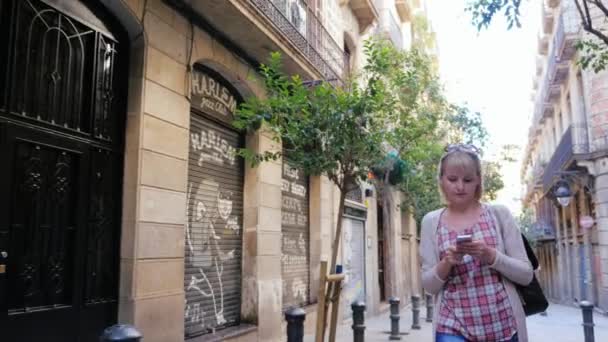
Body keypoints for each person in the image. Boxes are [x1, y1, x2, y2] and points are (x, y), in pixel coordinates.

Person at [419, 144, 534, 342]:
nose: (460, 186)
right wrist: (447, 262)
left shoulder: (499, 215)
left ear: (478, 180)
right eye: (452, 179)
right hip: (451, 327)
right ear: (441, 180)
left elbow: (526, 274)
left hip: (503, 326)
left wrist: (491, 256)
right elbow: (429, 286)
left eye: (468, 179)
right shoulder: (431, 222)